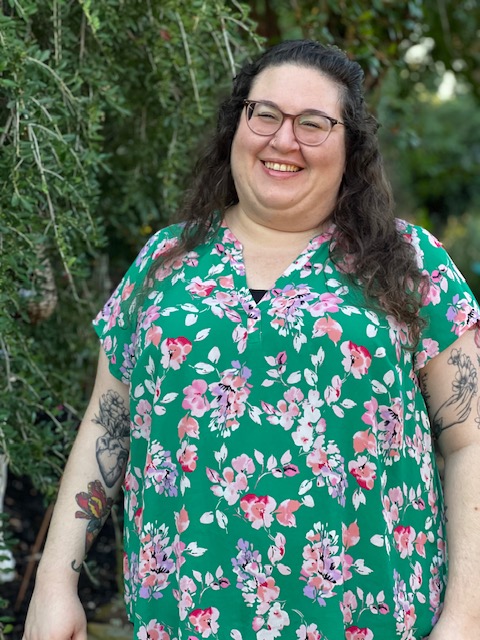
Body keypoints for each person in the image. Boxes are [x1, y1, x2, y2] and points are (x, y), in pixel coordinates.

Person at [23, 39, 480, 640]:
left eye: (313, 123)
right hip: (180, 623)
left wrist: (467, 617)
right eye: (264, 114)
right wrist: (54, 586)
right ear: (237, 124)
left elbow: (470, 441)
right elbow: (107, 427)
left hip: (372, 622)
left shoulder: (410, 263)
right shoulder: (165, 261)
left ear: (351, 147)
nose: (283, 140)